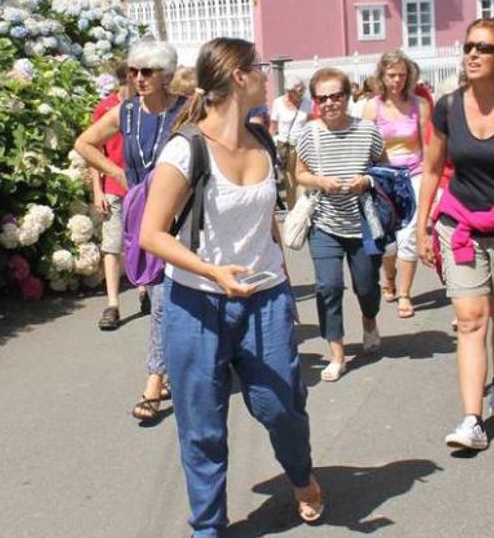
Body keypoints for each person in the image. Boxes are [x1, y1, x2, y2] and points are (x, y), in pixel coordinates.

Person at [139, 36, 323, 535]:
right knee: (202, 427)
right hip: (195, 306)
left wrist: (282, 284)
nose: (267, 75)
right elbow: (151, 234)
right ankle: (208, 526)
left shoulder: (262, 141)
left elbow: (267, 225)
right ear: (240, 76)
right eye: (260, 68)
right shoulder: (186, 149)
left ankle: (301, 474)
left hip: (263, 299)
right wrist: (211, 271)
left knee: (280, 405)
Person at [416, 18, 494, 451]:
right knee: (471, 320)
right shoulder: (448, 107)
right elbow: (432, 169)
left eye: (485, 48)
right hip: (461, 225)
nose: (473, 54)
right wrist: (422, 226)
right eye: (469, 46)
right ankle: (472, 418)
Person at [74, 40, 188, 421]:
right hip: (145, 214)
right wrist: (118, 174)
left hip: (184, 214)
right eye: (133, 72)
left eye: (147, 72)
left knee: (171, 300)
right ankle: (167, 368)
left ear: (166, 75)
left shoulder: (186, 111)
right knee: (158, 298)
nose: (138, 79)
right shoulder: (125, 113)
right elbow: (85, 143)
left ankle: (155, 379)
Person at [295, 68, 386, 382]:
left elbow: (384, 168)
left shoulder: (368, 130)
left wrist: (368, 179)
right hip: (324, 222)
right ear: (316, 101)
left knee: (367, 286)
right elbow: (299, 173)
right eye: (323, 98)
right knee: (328, 287)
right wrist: (320, 181)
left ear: (348, 96)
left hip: (363, 222)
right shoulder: (310, 133)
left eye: (337, 96)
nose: (331, 103)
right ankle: (337, 353)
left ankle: (369, 320)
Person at [362, 51, 432, 320]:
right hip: (383, 177)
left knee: (409, 237)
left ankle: (405, 294)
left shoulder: (420, 105)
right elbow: (365, 146)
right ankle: (389, 276)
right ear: (382, 76)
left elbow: (428, 147)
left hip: (413, 173)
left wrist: (429, 182)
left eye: (402, 75)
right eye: (392, 75)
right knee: (388, 242)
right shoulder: (372, 107)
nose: (397, 80)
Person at [85, 61, 132, 332]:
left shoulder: (145, 108)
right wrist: (98, 188)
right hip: (114, 188)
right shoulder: (105, 108)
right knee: (112, 245)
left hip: (142, 187)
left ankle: (144, 290)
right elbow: (95, 151)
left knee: (143, 243)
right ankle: (113, 304)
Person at [268, 75, 312, 209]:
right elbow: (273, 127)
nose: (302, 92)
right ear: (289, 91)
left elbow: (311, 124)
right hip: (286, 147)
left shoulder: (307, 103)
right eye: (299, 90)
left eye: (303, 89)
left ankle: (303, 209)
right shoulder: (278, 103)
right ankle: (292, 210)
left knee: (303, 178)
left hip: (303, 145)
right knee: (289, 181)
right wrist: (269, 148)